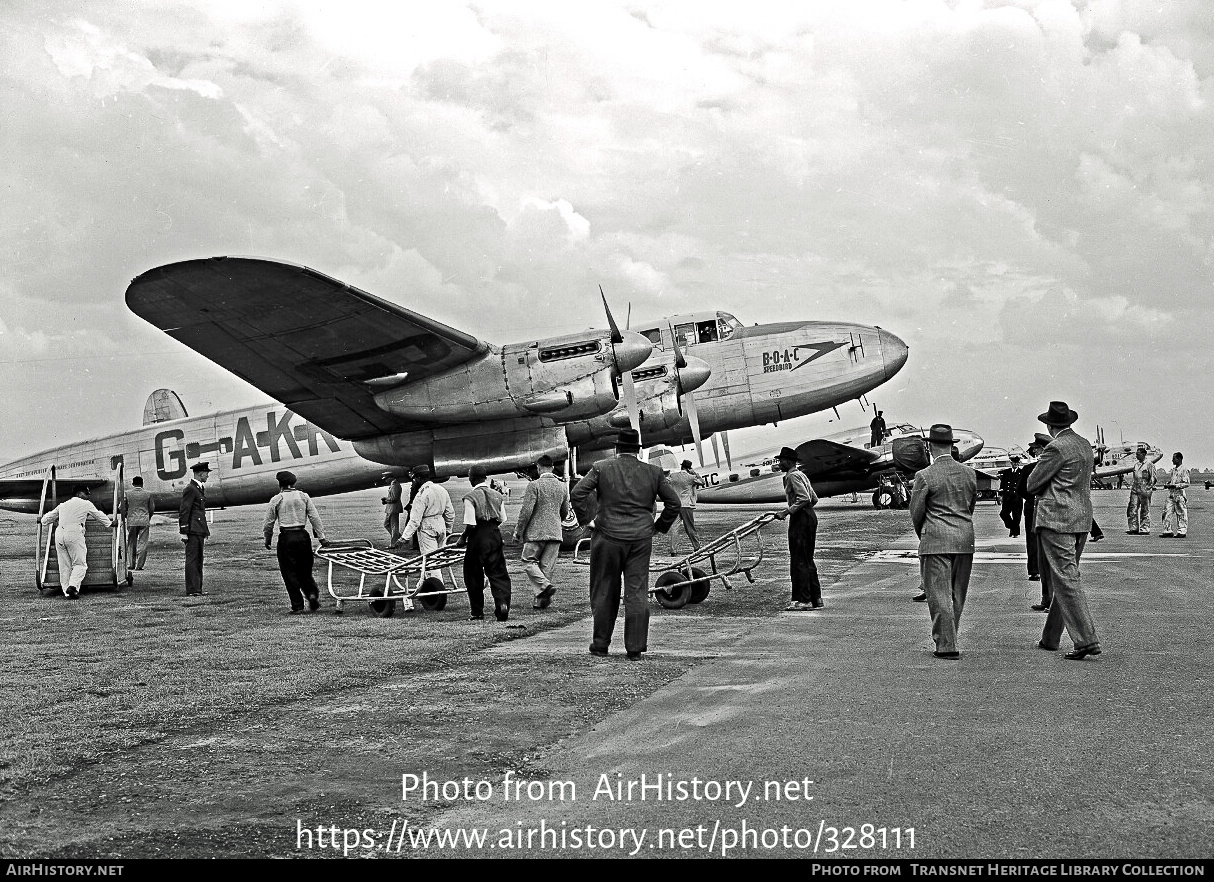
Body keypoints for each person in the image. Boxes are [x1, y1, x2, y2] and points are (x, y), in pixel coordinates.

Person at [571, 428, 680, 659]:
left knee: (604, 591)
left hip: (607, 536)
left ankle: (600, 644)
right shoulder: (653, 472)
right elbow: (674, 503)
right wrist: (659, 526)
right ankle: (635, 647)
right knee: (637, 592)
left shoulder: (602, 467)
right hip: (640, 538)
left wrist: (587, 521)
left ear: (617, 449)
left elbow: (578, 493)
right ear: (637, 450)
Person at [1027, 401, 1101, 660]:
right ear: (1070, 421)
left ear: (1049, 424)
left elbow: (1032, 483)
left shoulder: (1055, 448)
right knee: (1065, 577)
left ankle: (1086, 640)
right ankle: (1050, 638)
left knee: (1066, 579)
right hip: (1081, 519)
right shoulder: (1084, 445)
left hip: (1057, 519)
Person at [908, 425, 978, 660]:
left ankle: (947, 645)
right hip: (964, 539)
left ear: (929, 446)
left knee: (938, 595)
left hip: (936, 540)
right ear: (952, 444)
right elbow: (970, 506)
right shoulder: (969, 473)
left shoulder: (924, 475)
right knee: (957, 594)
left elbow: (916, 512)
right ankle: (950, 637)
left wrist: (925, 534)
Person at [262, 470, 327, 615]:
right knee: (305, 570)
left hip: (287, 537)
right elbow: (314, 517)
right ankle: (311, 594)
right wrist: (321, 537)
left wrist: (268, 538)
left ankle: (297, 605)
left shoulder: (277, 499)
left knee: (289, 572)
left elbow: (268, 523)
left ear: (280, 484)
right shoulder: (304, 497)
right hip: (303, 536)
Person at [512, 455, 569, 610]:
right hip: (555, 532)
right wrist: (555, 520)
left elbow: (526, 512)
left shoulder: (534, 485)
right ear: (552, 467)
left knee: (528, 561)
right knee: (546, 568)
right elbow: (565, 512)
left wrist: (518, 531)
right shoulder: (562, 486)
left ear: (538, 468)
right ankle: (539, 603)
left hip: (536, 533)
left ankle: (545, 586)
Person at [457, 466, 513, 621]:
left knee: (473, 575)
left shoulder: (470, 497)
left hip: (477, 537)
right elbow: (502, 519)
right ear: (485, 478)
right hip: (494, 534)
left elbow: (471, 524)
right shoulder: (497, 495)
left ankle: (477, 612)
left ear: (471, 478)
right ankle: (502, 604)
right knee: (498, 573)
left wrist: (462, 538)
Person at [40, 485, 115, 598]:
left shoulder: (63, 505)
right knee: (80, 564)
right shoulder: (86, 504)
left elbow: (46, 519)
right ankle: (73, 586)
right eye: (86, 494)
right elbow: (98, 514)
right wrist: (109, 523)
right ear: (79, 494)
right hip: (74, 534)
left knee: (64, 565)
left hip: (60, 534)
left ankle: (67, 592)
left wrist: (42, 520)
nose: (88, 496)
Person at [773, 446, 822, 611]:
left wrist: (787, 511)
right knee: (807, 558)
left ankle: (802, 600)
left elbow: (804, 498)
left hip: (800, 518)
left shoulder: (792, 476)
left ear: (788, 461)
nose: (779, 463)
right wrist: (805, 510)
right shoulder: (801, 475)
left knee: (799, 559)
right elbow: (813, 499)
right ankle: (816, 598)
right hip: (809, 515)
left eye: (781, 461)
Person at [399, 465, 455, 585]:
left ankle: (437, 591)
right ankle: (422, 586)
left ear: (419, 478)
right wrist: (448, 530)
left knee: (430, 561)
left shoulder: (421, 495)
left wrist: (404, 538)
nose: (414, 481)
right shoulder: (441, 490)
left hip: (427, 527)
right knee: (436, 559)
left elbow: (414, 521)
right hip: (441, 525)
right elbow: (450, 513)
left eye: (414, 479)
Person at [179, 462, 211, 597]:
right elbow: (184, 511)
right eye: (206, 473)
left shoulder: (198, 488)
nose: (208, 475)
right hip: (192, 530)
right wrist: (184, 532)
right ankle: (192, 589)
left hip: (198, 530)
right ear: (200, 473)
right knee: (192, 560)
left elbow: (199, 513)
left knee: (198, 560)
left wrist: (205, 530)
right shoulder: (191, 489)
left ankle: (197, 588)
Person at [665, 460, 704, 555]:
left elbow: (666, 480)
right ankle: (697, 547)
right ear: (689, 468)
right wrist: (694, 473)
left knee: (674, 527)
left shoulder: (673, 476)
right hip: (686, 505)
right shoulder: (690, 477)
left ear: (682, 466)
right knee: (690, 527)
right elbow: (702, 482)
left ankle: (673, 550)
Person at [122, 475, 155, 570]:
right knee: (143, 543)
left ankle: (131, 565)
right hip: (144, 520)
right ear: (142, 483)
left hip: (131, 521)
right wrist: (148, 517)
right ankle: (139, 565)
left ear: (133, 484)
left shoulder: (127, 493)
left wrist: (126, 516)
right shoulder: (148, 494)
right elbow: (152, 508)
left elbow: (122, 507)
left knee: (131, 542)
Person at [1126, 446, 1157, 535]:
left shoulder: (1149, 464)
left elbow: (1153, 478)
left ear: (1143, 454)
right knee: (1133, 509)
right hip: (1135, 489)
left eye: (1138, 454)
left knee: (1144, 509)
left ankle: (1145, 528)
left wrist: (1148, 488)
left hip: (1144, 490)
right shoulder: (1136, 465)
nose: (1136, 456)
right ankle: (1133, 528)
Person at [1160, 452, 1190, 539]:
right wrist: (1169, 484)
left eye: (1174, 458)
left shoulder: (1184, 470)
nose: (1172, 460)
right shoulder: (1173, 470)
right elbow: (1173, 481)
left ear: (1179, 459)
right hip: (1171, 494)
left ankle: (1182, 531)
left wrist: (1176, 486)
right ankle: (1167, 530)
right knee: (1166, 512)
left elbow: (1187, 483)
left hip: (1179, 494)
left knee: (1181, 513)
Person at [998, 453, 1023, 537]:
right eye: (1014, 462)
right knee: (1003, 514)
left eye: (1017, 462)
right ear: (1011, 463)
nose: (1016, 464)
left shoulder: (1022, 473)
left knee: (1016, 516)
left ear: (1019, 463)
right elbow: (1002, 484)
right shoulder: (1006, 472)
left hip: (1017, 497)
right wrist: (1000, 495)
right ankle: (1012, 527)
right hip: (1007, 497)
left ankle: (1015, 533)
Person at [381, 475, 404, 548]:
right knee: (388, 525)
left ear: (390, 478)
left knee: (393, 526)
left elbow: (394, 498)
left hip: (393, 509)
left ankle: (394, 544)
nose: (385, 480)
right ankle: (399, 539)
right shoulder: (394, 484)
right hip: (391, 508)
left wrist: (386, 499)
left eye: (386, 478)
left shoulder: (395, 485)